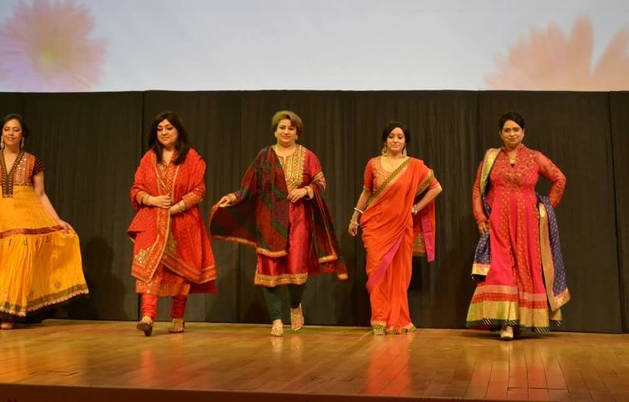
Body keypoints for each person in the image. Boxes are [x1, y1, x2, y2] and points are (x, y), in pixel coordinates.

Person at [210, 110, 347, 337]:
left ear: (297, 133)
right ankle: (276, 320)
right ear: (275, 131)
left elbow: (321, 182)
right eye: (282, 127)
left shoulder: (308, 156)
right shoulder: (264, 156)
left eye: (291, 128)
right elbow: (249, 186)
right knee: (270, 269)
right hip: (269, 218)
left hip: (299, 219)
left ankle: (295, 305)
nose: (286, 132)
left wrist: (305, 190)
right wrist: (232, 197)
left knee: (296, 267)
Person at [0, 113, 88, 329]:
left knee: (18, 255)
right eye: (7, 129)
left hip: (24, 217)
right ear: (1, 133)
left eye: (15, 129)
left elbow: (40, 194)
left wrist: (57, 220)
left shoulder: (33, 162)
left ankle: (8, 312)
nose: (11, 133)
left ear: (23, 135)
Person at [465, 112, 570, 340]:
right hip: (498, 222)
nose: (512, 134)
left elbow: (559, 179)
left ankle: (523, 321)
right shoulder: (491, 159)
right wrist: (480, 218)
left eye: (516, 130)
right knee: (501, 269)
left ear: (523, 132)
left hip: (528, 224)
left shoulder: (534, 157)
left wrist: (545, 209)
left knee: (525, 268)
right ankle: (506, 324)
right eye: (507, 130)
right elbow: (476, 190)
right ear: (500, 134)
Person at [128, 111, 217, 337]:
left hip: (182, 221)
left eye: (169, 128)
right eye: (159, 129)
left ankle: (178, 317)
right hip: (152, 220)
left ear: (178, 131)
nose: (164, 132)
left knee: (180, 270)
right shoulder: (149, 158)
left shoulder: (191, 158)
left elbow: (199, 190)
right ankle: (147, 317)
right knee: (150, 266)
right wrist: (153, 200)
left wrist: (175, 208)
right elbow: (136, 189)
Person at [349, 121, 442, 335]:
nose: (396, 140)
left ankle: (396, 320)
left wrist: (416, 207)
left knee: (399, 274)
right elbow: (366, 192)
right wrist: (354, 218)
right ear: (385, 140)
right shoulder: (373, 164)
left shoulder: (414, 165)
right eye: (391, 136)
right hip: (375, 225)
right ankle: (379, 319)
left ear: (405, 141)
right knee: (376, 270)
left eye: (400, 137)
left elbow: (436, 187)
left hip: (401, 227)